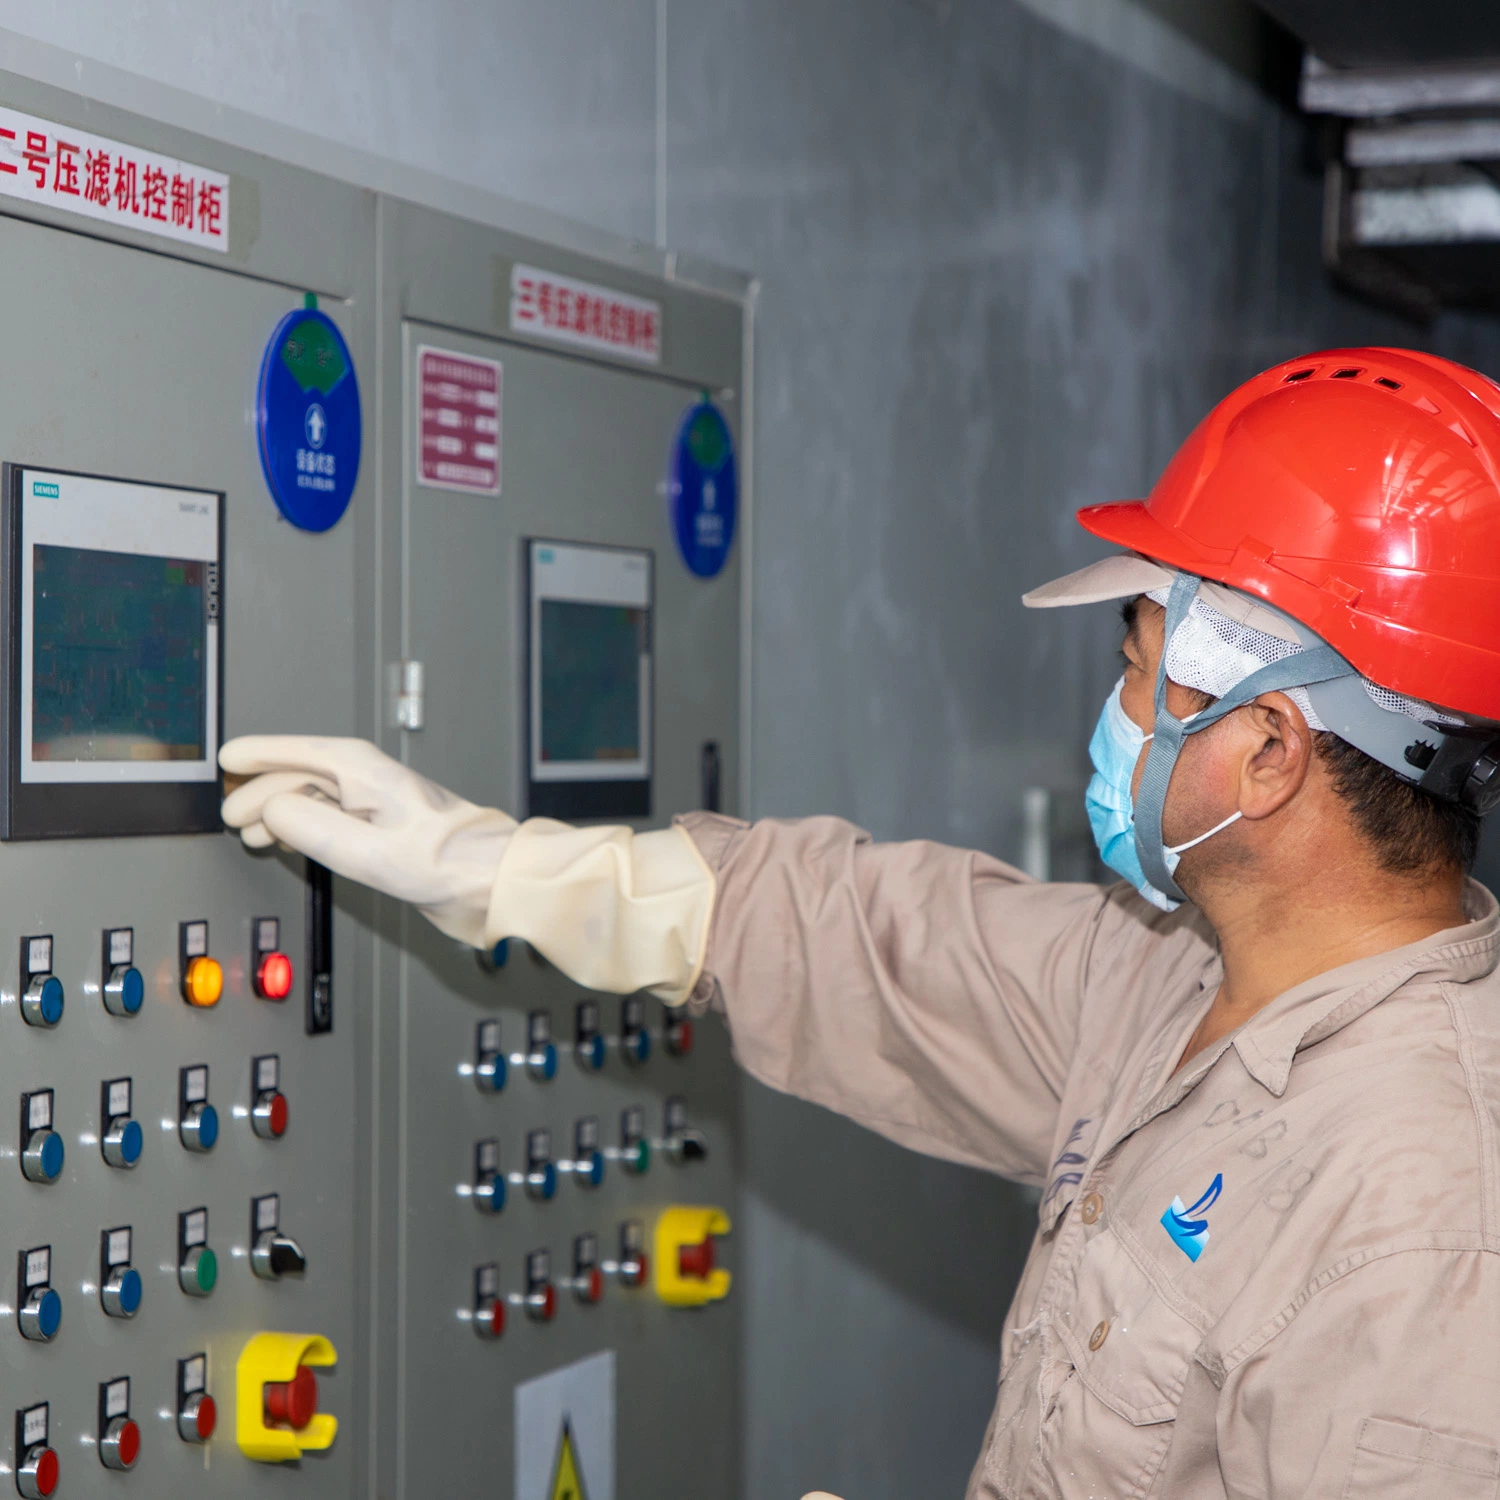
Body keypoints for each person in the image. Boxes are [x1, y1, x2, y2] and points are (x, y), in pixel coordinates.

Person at [221, 347, 1500, 1499]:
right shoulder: (1173, 978)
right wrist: (485, 865)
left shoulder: (1426, 1221)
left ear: (1267, 748)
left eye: (1135, 666)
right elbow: (873, 940)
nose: (1115, 711)